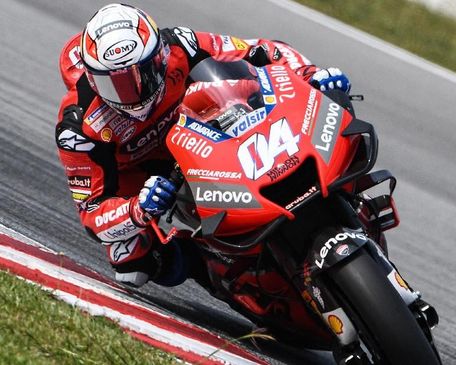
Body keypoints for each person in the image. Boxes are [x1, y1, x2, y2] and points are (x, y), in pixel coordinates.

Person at [55, 3, 351, 288]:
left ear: (159, 56)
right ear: (92, 80)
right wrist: (137, 209)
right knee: (132, 263)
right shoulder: (78, 128)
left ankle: (345, 192)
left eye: (139, 75)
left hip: (204, 129)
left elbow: (262, 49)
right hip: (145, 177)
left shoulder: (181, 43)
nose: (130, 93)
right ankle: (219, 272)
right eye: (113, 84)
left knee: (327, 99)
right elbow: (92, 213)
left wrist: (309, 75)